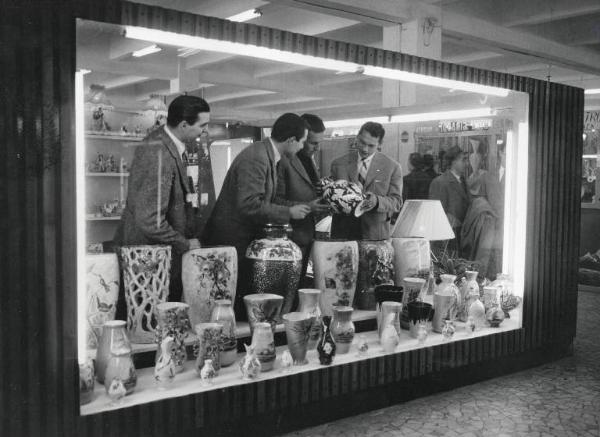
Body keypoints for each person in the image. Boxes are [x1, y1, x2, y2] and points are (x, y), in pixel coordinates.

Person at [202, 113, 313, 314]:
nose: (302, 147)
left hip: (238, 241)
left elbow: (267, 200)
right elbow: (249, 204)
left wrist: (304, 207)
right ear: (291, 141)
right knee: (229, 307)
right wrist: (289, 212)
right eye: (302, 142)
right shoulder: (257, 158)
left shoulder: (266, 154)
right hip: (231, 242)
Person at [114, 95, 209, 302]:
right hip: (150, 264)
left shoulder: (163, 144)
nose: (205, 131)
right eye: (203, 125)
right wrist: (184, 243)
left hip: (154, 260)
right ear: (184, 125)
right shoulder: (160, 153)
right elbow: (150, 221)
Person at [274, 114, 329, 283]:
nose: (317, 148)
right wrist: (308, 206)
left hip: (306, 236)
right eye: (313, 143)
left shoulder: (309, 160)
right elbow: (275, 201)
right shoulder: (283, 161)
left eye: (319, 143)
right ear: (301, 138)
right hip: (289, 239)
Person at [329, 121, 403, 240]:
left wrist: (377, 201)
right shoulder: (338, 164)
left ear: (380, 144)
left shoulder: (392, 167)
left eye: (371, 146)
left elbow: (397, 202)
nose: (364, 149)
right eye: (362, 142)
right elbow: (331, 195)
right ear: (357, 137)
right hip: (343, 230)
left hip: (374, 232)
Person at [429, 145, 470, 256]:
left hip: (462, 236)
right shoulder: (440, 182)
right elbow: (436, 214)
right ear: (453, 161)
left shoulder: (464, 181)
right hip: (447, 240)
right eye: (463, 160)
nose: (467, 164)